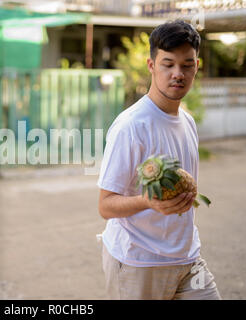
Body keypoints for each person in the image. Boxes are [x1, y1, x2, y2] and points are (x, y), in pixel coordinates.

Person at [97, 20, 221, 300]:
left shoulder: (187, 122)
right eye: (168, 64)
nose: (178, 74)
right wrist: (148, 202)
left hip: (187, 259)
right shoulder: (131, 126)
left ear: (196, 67)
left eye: (187, 65)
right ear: (152, 66)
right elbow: (105, 206)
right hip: (138, 263)